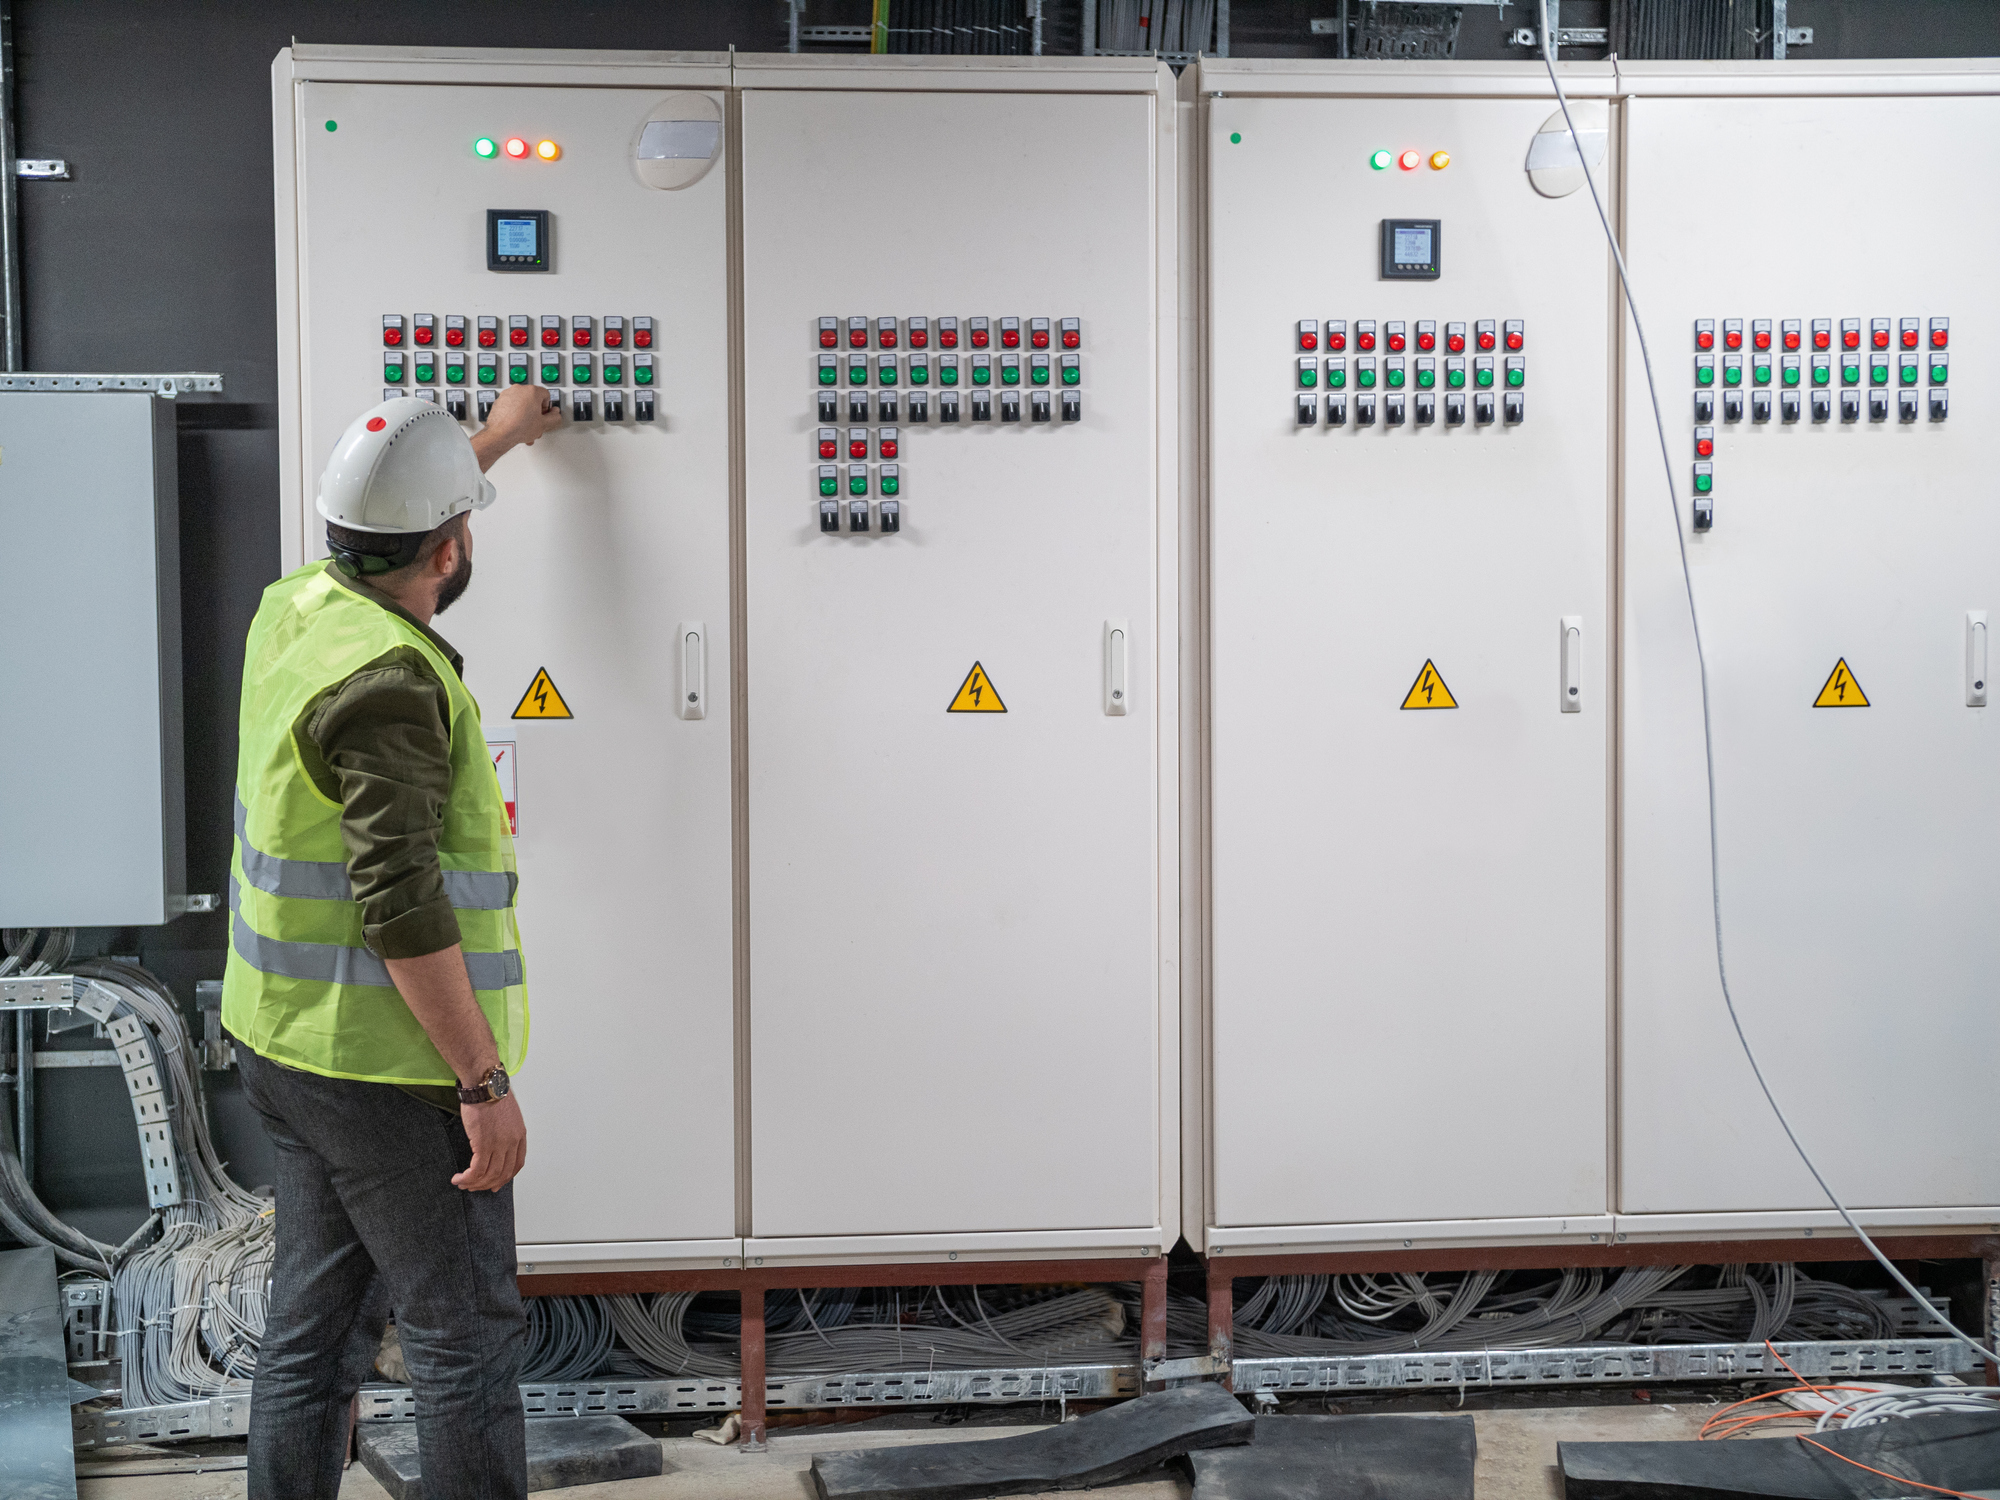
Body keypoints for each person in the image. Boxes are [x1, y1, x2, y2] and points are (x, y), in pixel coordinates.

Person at [222, 384, 563, 1500]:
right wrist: (482, 1079)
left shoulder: (299, 606)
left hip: (283, 1047)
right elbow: (401, 904)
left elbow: (393, 513)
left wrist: (495, 441)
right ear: (454, 549)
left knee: (312, 1336)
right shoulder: (393, 683)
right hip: (396, 1075)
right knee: (464, 1345)